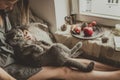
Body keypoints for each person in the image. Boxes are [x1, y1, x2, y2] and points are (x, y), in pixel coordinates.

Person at [1, 0, 120, 80]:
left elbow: (10, 34)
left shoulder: (4, 12)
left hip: (18, 54)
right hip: (9, 68)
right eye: (8, 3)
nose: (11, 7)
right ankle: (116, 76)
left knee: (68, 58)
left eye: (14, 3)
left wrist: (23, 33)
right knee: (64, 70)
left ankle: (116, 69)